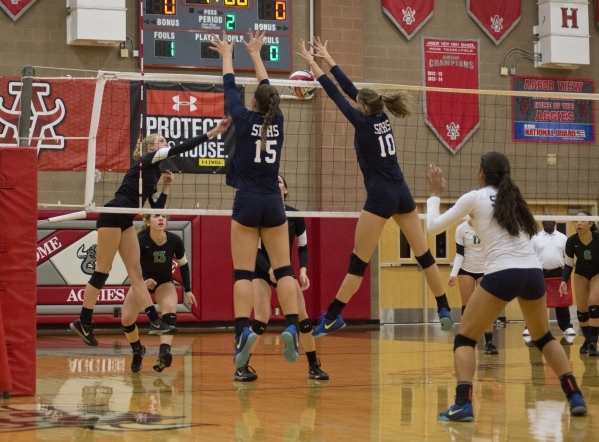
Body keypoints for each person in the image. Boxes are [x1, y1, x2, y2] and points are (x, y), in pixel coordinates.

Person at [297, 38, 454, 336]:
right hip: (402, 192)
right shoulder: (381, 115)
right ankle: (443, 306)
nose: (356, 103)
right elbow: (350, 89)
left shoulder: (362, 122)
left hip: (381, 196)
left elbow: (335, 93)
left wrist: (314, 64)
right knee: (425, 256)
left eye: (359, 103)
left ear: (363, 108)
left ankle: (332, 316)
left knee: (358, 262)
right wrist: (329, 57)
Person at [427, 151, 586, 421]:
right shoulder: (515, 199)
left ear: (481, 173)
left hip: (502, 273)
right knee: (544, 337)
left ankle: (463, 404)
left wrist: (434, 194)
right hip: (532, 273)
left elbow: (432, 227)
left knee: (464, 338)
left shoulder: (474, 197)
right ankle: (574, 395)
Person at [69, 120, 231, 346]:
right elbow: (180, 148)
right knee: (102, 272)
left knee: (136, 274)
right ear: (150, 148)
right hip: (112, 214)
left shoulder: (153, 174)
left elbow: (156, 208)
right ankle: (83, 321)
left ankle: (154, 320)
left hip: (126, 220)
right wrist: (211, 134)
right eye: (161, 141)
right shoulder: (147, 160)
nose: (165, 143)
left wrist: (166, 187)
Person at [210, 30, 301, 369]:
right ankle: (291, 323)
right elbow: (267, 89)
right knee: (285, 268)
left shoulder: (244, 119)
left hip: (247, 201)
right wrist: (257, 54)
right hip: (273, 202)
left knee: (243, 273)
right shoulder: (277, 118)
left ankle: (241, 332)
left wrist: (227, 54)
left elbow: (229, 85)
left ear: (253, 103)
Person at [234, 175, 329, 382]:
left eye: (280, 182)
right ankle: (241, 367)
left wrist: (303, 270)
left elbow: (303, 246)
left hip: (285, 270)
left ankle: (313, 365)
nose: (277, 184)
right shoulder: (261, 213)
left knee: (303, 318)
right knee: (261, 317)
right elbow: (256, 251)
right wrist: (268, 269)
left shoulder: (295, 215)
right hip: (263, 270)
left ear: (286, 190)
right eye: (273, 181)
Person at [120, 213, 197, 373]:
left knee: (170, 310)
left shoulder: (174, 240)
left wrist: (188, 289)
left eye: (163, 216)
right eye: (156, 216)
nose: (161, 219)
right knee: (126, 319)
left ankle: (164, 353)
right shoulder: (140, 239)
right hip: (141, 282)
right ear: (148, 222)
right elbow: (131, 265)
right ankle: (137, 350)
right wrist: (143, 279)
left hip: (164, 282)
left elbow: (183, 265)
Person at [449, 220, 498, 355]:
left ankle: (488, 343)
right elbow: (459, 253)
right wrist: (453, 273)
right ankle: (464, 340)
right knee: (467, 306)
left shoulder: (488, 226)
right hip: (466, 270)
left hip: (485, 270)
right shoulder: (461, 229)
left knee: (487, 305)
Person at [522, 217, 576, 339]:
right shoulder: (535, 237)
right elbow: (530, 255)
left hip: (558, 272)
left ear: (555, 222)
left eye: (550, 220)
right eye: (546, 220)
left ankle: (566, 326)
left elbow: (567, 256)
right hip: (539, 272)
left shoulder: (563, 237)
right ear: (542, 222)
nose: (548, 222)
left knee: (561, 300)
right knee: (536, 301)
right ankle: (530, 327)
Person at [560, 210, 599, 357]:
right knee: (582, 310)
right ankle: (587, 340)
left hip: (597, 273)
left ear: (590, 223)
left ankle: (594, 343)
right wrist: (564, 280)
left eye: (582, 221)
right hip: (581, 274)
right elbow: (569, 264)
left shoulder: (597, 238)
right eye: (576, 221)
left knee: (594, 303)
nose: (579, 224)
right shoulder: (571, 241)